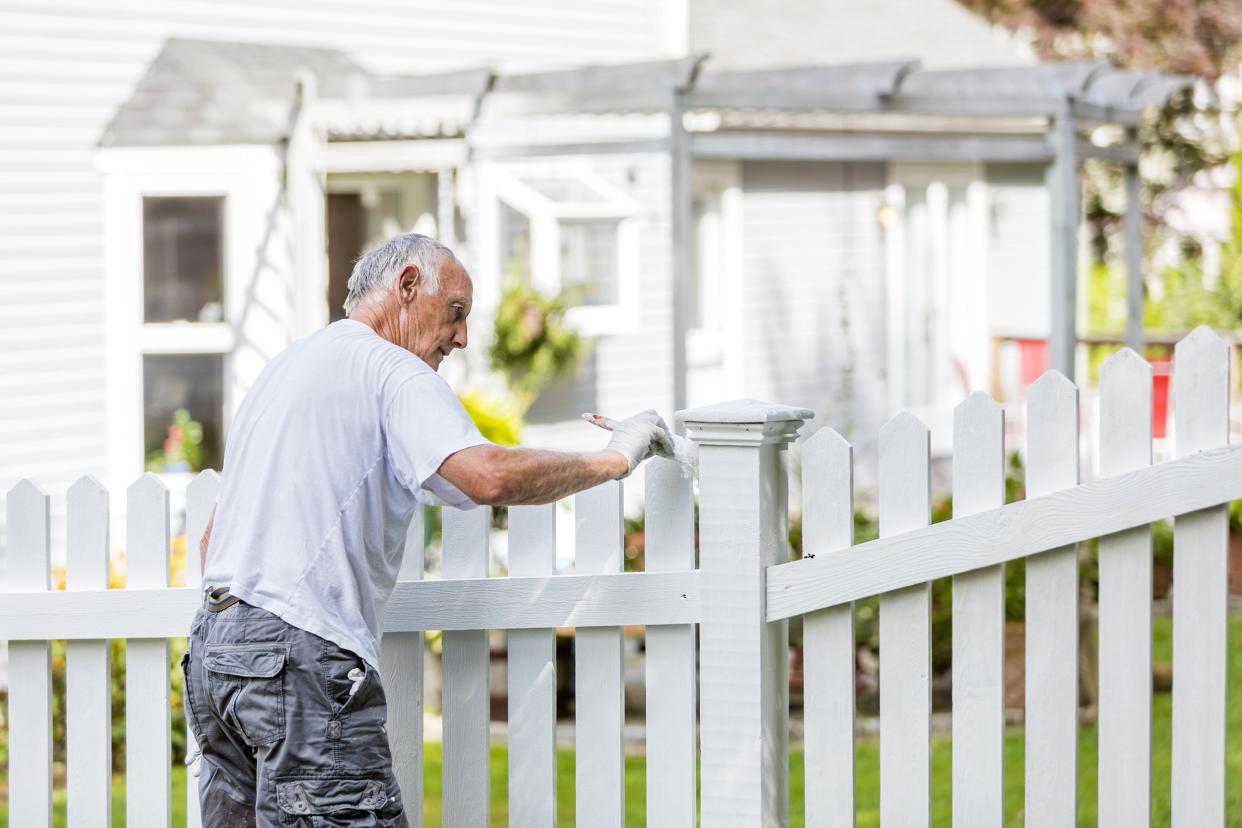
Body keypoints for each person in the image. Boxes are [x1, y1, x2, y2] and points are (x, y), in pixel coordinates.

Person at [185, 233, 672, 826]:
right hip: (298, 654)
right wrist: (615, 460)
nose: (462, 337)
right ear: (408, 285)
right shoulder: (392, 369)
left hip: (216, 652)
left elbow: (215, 540)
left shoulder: (284, 371)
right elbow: (486, 477)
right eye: (456, 312)